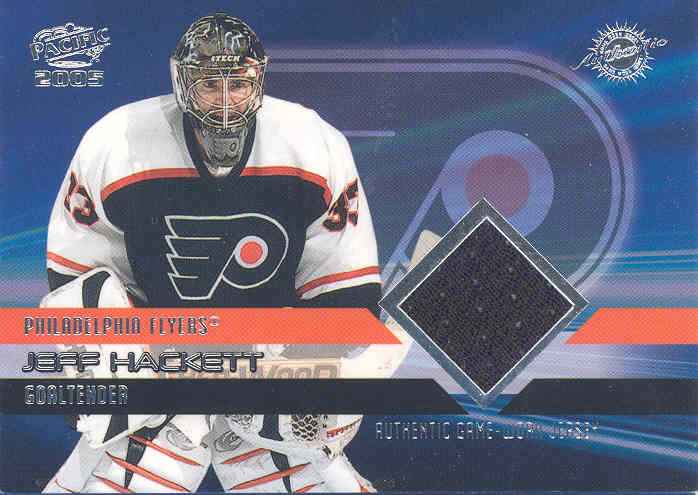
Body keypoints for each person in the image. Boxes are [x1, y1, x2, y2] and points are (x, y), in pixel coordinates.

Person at [42, 13, 380, 493]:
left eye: (237, 84)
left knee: (324, 402)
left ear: (258, 81)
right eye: (208, 85)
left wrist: (304, 375)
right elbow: (75, 285)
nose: (224, 103)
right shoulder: (116, 142)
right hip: (158, 372)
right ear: (182, 84)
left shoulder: (312, 142)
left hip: (268, 372)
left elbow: (348, 294)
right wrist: (115, 378)